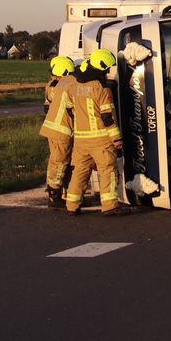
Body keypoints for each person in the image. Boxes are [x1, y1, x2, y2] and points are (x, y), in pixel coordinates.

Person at [63, 49, 129, 216]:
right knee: (108, 171)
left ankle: (72, 205)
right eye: (106, 69)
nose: (107, 72)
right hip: (101, 140)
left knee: (80, 172)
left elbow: (71, 109)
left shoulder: (75, 86)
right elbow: (108, 118)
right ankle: (110, 206)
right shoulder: (101, 89)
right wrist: (117, 139)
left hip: (80, 141)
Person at [39, 56, 76, 208]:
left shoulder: (53, 85)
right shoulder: (59, 87)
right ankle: (54, 194)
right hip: (61, 130)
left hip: (54, 129)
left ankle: (62, 192)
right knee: (60, 163)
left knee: (60, 162)